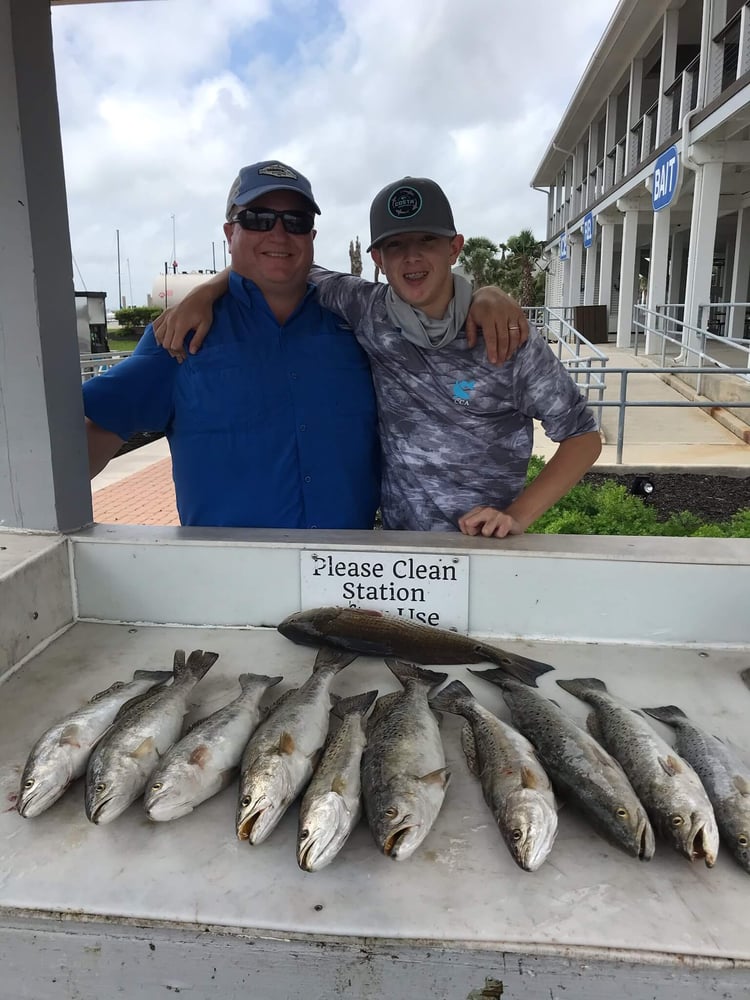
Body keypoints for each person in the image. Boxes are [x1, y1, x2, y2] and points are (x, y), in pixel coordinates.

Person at [85, 161, 526, 530]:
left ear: (311, 237)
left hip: (351, 578)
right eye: (258, 219)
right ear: (229, 232)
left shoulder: (359, 325)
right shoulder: (181, 336)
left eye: (296, 222)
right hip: (228, 585)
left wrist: (486, 294)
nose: (279, 234)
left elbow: (427, 297)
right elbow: (84, 445)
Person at [157, 175, 601, 537]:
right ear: (376, 258)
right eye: (395, 245)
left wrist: (518, 516)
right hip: (396, 557)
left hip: (485, 552)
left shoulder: (505, 336)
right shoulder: (366, 309)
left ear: (454, 247)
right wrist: (206, 290)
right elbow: (277, 262)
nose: (411, 257)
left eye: (427, 240)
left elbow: (583, 436)